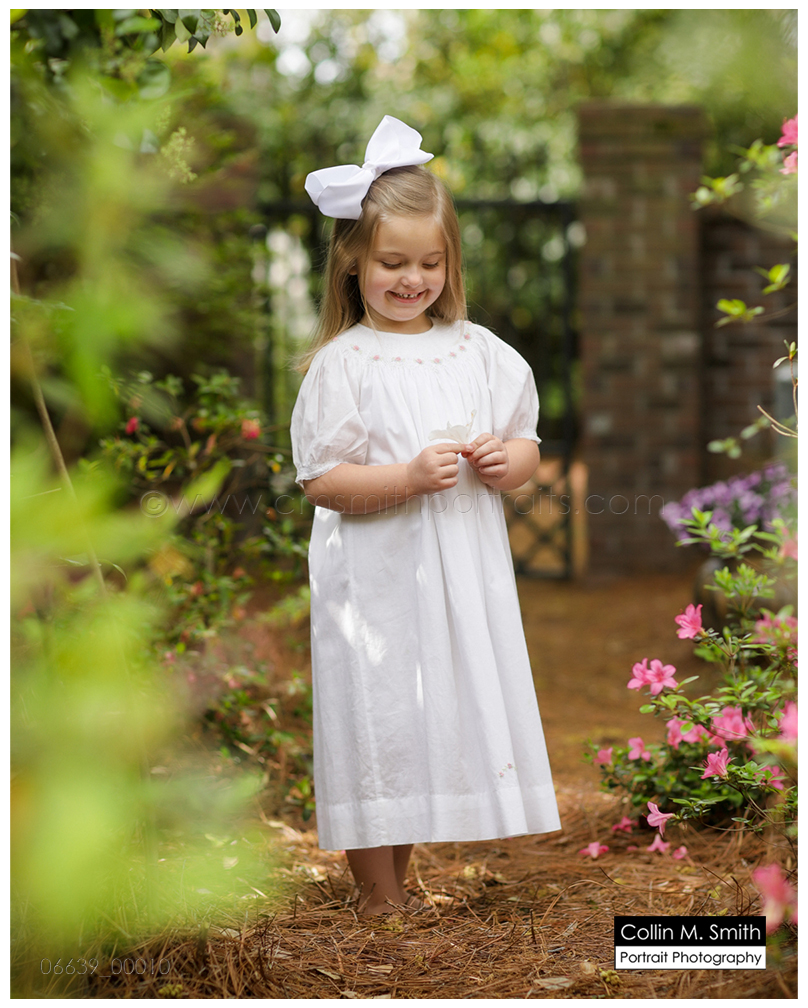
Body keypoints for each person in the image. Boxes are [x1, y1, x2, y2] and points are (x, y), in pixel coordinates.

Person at [290, 116, 560, 916]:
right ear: (353, 261)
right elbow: (323, 480)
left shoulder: (478, 351)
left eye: (429, 263)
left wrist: (504, 463)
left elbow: (526, 447)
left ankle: (400, 882)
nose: (412, 279)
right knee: (376, 714)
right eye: (393, 263)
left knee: (421, 717)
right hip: (374, 583)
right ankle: (377, 895)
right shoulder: (344, 365)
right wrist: (406, 477)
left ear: (450, 261)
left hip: (457, 579)